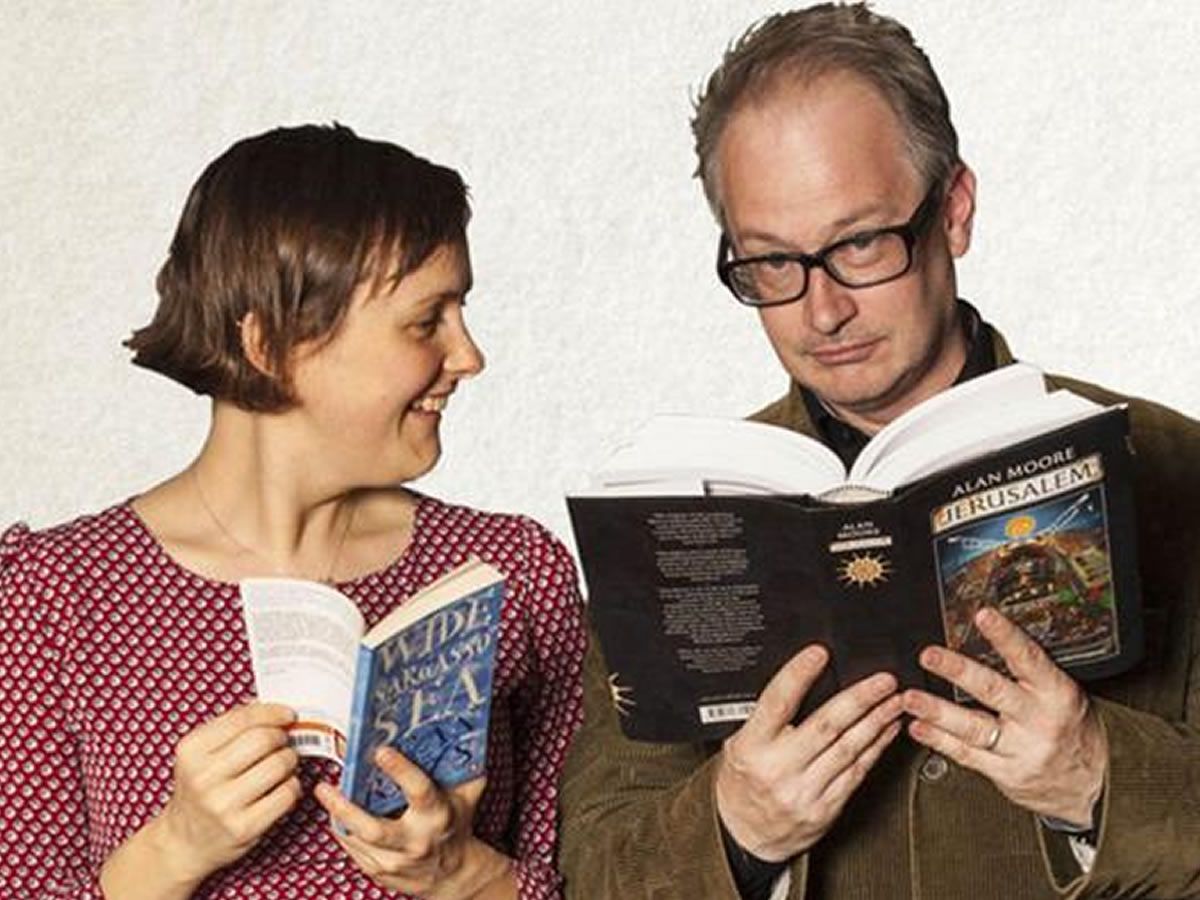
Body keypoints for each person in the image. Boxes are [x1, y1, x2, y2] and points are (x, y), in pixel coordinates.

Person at [559, 5, 1200, 899]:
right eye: (772, 263)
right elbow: (594, 869)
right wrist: (736, 830)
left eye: (860, 243)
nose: (823, 312)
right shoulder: (678, 512)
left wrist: (1100, 778)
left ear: (955, 210)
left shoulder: (1177, 468)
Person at [0, 124, 586, 899]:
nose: (468, 355)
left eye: (461, 313)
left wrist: (460, 875)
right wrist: (175, 848)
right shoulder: (53, 595)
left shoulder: (513, 576)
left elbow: (605, 878)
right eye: (426, 321)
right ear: (271, 342)